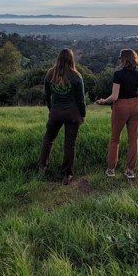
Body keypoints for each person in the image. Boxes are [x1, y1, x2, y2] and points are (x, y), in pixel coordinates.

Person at [38, 48, 86, 185]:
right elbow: (81, 99)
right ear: (72, 59)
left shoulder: (50, 74)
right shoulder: (76, 76)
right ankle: (67, 174)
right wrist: (82, 114)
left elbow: (46, 96)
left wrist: (51, 109)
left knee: (48, 140)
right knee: (69, 145)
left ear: (58, 58)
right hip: (72, 114)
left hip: (56, 112)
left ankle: (42, 167)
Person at [96, 49, 138, 179]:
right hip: (135, 106)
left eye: (120, 59)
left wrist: (103, 101)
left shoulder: (118, 74)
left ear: (123, 60)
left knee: (115, 139)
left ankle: (111, 169)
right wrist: (134, 92)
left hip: (121, 107)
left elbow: (114, 96)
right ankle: (130, 171)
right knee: (133, 139)